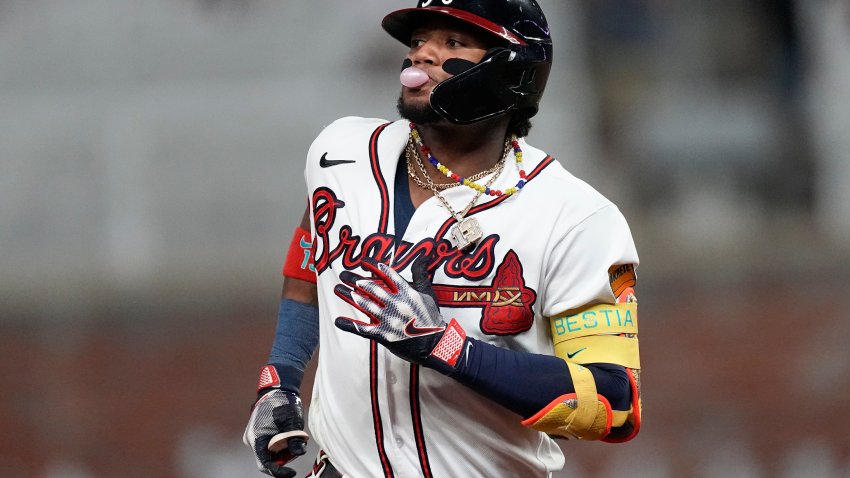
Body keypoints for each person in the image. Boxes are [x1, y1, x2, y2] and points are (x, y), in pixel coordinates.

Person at [244, 1, 643, 477]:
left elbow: (613, 403)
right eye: (417, 42)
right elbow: (309, 260)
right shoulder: (340, 151)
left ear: (514, 69)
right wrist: (280, 380)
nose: (421, 56)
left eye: (452, 43)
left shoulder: (577, 217)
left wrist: (449, 349)